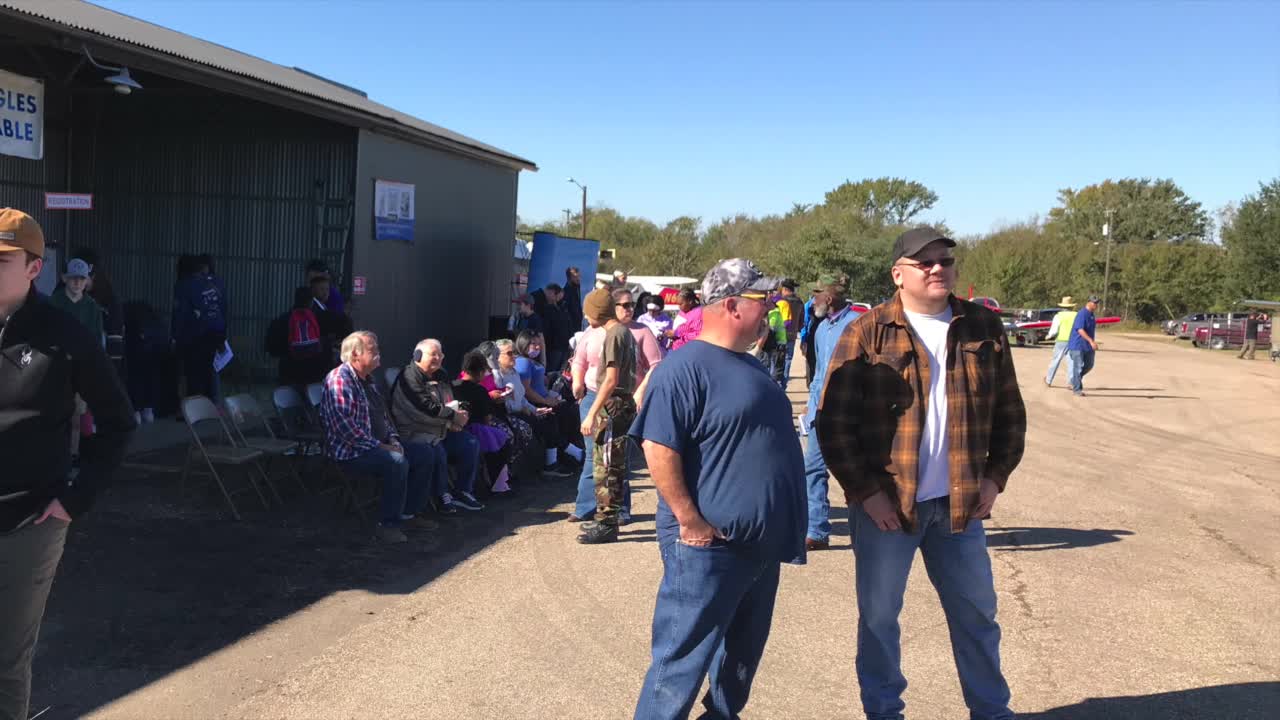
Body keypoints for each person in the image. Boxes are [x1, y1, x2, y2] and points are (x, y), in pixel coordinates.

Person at [818, 226, 1027, 720]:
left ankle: (992, 711)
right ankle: (884, 712)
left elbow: (1010, 413)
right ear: (898, 273)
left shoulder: (983, 327)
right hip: (888, 508)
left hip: (960, 510)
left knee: (977, 617)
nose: (938, 269)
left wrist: (995, 478)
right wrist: (867, 493)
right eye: (924, 262)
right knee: (880, 621)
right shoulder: (867, 331)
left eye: (944, 260)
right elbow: (834, 423)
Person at [631, 258, 805, 719]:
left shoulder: (752, 368)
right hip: (709, 548)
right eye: (761, 299)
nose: (771, 307)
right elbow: (658, 447)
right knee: (679, 664)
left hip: (759, 547)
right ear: (731, 305)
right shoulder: (683, 369)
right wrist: (691, 521)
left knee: (740, 662)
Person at [0, 209, 136, 720]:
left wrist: (75, 498)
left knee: (6, 661)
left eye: (3, 260)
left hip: (29, 520)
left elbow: (119, 421)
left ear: (34, 268)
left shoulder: (64, 336)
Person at [318, 331, 435, 544]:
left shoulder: (368, 382)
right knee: (397, 462)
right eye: (373, 350)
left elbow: (384, 419)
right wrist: (383, 447)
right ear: (355, 356)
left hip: (377, 446)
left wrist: (394, 441)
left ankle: (409, 513)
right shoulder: (339, 380)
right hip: (352, 453)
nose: (379, 353)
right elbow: (346, 429)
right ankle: (387, 525)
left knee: (425, 453)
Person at [388, 339, 485, 512]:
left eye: (440, 354)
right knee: (436, 447)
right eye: (433, 354)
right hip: (414, 432)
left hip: (440, 429)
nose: (438, 358)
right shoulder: (409, 378)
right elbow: (420, 412)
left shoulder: (441, 375)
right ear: (417, 356)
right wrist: (450, 422)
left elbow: (448, 402)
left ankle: (463, 490)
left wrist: (459, 415)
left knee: (469, 442)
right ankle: (441, 495)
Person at [799, 282, 860, 551]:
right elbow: (819, 372)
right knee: (812, 468)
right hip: (819, 413)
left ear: (830, 295)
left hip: (848, 413)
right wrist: (810, 406)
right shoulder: (821, 328)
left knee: (855, 474)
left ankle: (866, 531)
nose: (812, 301)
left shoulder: (859, 324)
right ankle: (817, 530)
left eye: (816, 294)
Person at [576, 287, 639, 544]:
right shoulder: (621, 332)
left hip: (613, 407)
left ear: (598, 312)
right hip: (618, 405)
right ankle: (605, 518)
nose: (586, 318)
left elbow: (611, 379)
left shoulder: (615, 335)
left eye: (588, 313)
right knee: (608, 465)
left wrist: (591, 414)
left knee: (608, 467)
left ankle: (607, 523)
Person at [49, 258, 107, 460]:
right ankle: (53, 453)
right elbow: (47, 334)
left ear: (87, 282)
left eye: (81, 279)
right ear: (64, 278)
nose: (77, 283)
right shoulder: (54, 302)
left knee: (76, 415)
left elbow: (96, 340)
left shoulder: (92, 308)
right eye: (73, 278)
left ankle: (72, 455)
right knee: (55, 413)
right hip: (55, 367)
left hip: (80, 368)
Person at [491, 338, 569, 476]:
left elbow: (522, 398)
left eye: (514, 352)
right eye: (509, 353)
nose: (514, 356)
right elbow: (505, 403)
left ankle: (553, 462)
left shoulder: (513, 373)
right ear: (498, 356)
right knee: (540, 422)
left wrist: (535, 409)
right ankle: (570, 453)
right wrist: (524, 410)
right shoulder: (497, 376)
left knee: (548, 416)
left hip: (523, 410)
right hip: (509, 415)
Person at [514, 330, 585, 470]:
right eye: (532, 344)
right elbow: (527, 391)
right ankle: (572, 455)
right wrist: (546, 401)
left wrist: (551, 396)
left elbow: (542, 372)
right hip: (536, 403)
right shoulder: (523, 363)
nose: (536, 347)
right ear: (523, 344)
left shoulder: (532, 362)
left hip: (545, 399)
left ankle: (557, 460)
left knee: (564, 416)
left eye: (538, 344)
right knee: (552, 421)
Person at [452, 350, 516, 493]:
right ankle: (498, 483)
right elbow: (487, 419)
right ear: (481, 371)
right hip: (476, 429)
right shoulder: (480, 390)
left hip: (455, 428)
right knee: (504, 440)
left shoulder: (452, 385)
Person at [172, 253, 227, 401]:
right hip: (216, 332)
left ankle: (194, 409)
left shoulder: (183, 285)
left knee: (193, 374)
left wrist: (175, 337)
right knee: (209, 371)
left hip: (196, 335)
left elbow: (180, 314)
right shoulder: (210, 283)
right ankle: (210, 405)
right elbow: (222, 308)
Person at [615, 288, 665, 404]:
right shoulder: (598, 329)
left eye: (632, 304)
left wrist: (640, 392)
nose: (631, 309)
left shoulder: (642, 330)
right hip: (600, 396)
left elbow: (656, 365)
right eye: (626, 305)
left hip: (632, 397)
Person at [533, 283, 571, 375]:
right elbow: (547, 328)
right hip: (554, 346)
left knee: (556, 370)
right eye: (557, 298)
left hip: (559, 345)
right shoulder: (544, 306)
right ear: (552, 293)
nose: (557, 301)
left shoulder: (558, 308)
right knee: (551, 370)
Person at [1043, 296, 1079, 387]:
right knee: (1071, 361)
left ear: (1062, 307)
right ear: (1072, 306)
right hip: (1073, 340)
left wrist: (1049, 335)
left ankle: (1048, 379)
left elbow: (1054, 329)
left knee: (1056, 360)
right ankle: (1071, 382)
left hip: (1061, 340)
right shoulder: (1076, 315)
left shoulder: (1059, 316)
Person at [1068, 296, 1100, 397]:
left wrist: (1091, 343)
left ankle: (1074, 380)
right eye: (1094, 302)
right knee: (1077, 367)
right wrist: (1091, 341)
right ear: (1088, 302)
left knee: (1089, 365)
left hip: (1087, 346)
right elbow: (1080, 329)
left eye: (1097, 303)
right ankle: (1077, 389)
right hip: (1077, 345)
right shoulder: (1082, 314)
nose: (1096, 305)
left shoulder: (1091, 315)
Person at [777, 278, 805, 382]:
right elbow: (802, 321)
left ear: (784, 289)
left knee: (777, 360)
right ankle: (784, 383)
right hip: (792, 335)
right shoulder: (799, 302)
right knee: (788, 359)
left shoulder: (781, 302)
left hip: (780, 335)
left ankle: (777, 383)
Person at [563, 266, 584, 332]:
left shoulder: (576, 287)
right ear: (570, 277)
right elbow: (569, 308)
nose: (578, 278)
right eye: (576, 276)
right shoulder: (567, 290)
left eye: (579, 276)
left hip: (577, 323)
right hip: (571, 325)